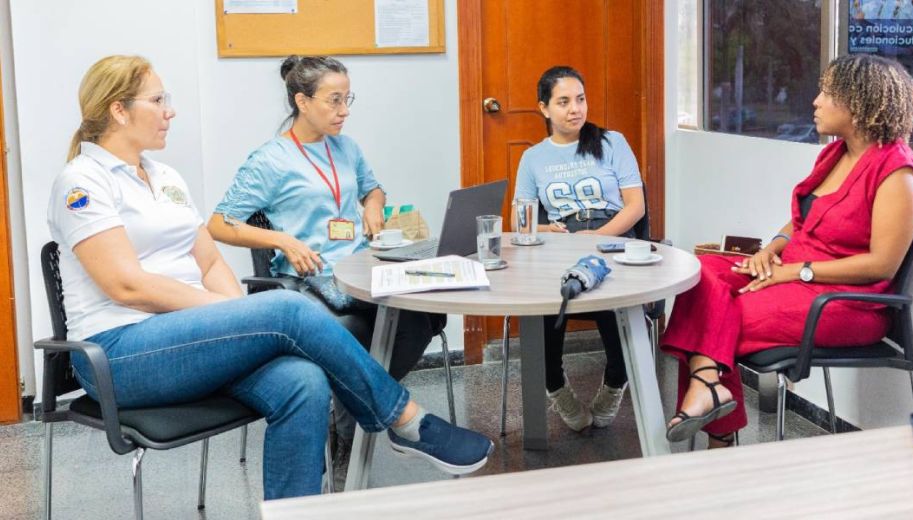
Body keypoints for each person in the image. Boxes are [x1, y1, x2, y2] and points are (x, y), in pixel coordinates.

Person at [49, 55, 493, 500]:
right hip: (120, 354)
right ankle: (407, 421)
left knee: (303, 381)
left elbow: (209, 263)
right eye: (158, 99)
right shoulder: (83, 182)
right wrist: (235, 311)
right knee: (285, 308)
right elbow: (128, 287)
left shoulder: (165, 177)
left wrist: (234, 314)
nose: (171, 110)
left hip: (187, 339)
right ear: (119, 110)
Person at [661, 54, 913, 449]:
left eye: (827, 94)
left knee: (716, 315)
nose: (815, 101)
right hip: (793, 271)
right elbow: (805, 217)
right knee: (700, 274)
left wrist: (797, 271)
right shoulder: (834, 154)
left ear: (858, 104)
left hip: (847, 303)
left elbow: (882, 264)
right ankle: (710, 394)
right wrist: (774, 248)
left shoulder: (898, 173)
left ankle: (718, 427)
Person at [206, 55, 446, 488]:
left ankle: (352, 409)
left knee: (422, 318)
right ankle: (357, 413)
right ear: (302, 100)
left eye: (347, 99)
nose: (344, 110)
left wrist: (373, 207)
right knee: (354, 327)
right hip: (309, 282)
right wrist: (282, 240)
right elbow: (220, 223)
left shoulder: (346, 147)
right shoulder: (271, 159)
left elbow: (373, 187)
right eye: (334, 100)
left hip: (360, 269)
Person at [512, 65, 646, 432]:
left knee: (613, 299)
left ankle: (616, 382)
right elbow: (519, 221)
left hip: (613, 235)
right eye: (564, 101)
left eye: (580, 99)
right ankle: (555, 386)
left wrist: (599, 236)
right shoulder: (533, 158)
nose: (575, 109)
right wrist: (548, 230)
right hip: (561, 241)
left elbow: (636, 206)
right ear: (544, 108)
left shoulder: (611, 142)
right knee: (547, 298)